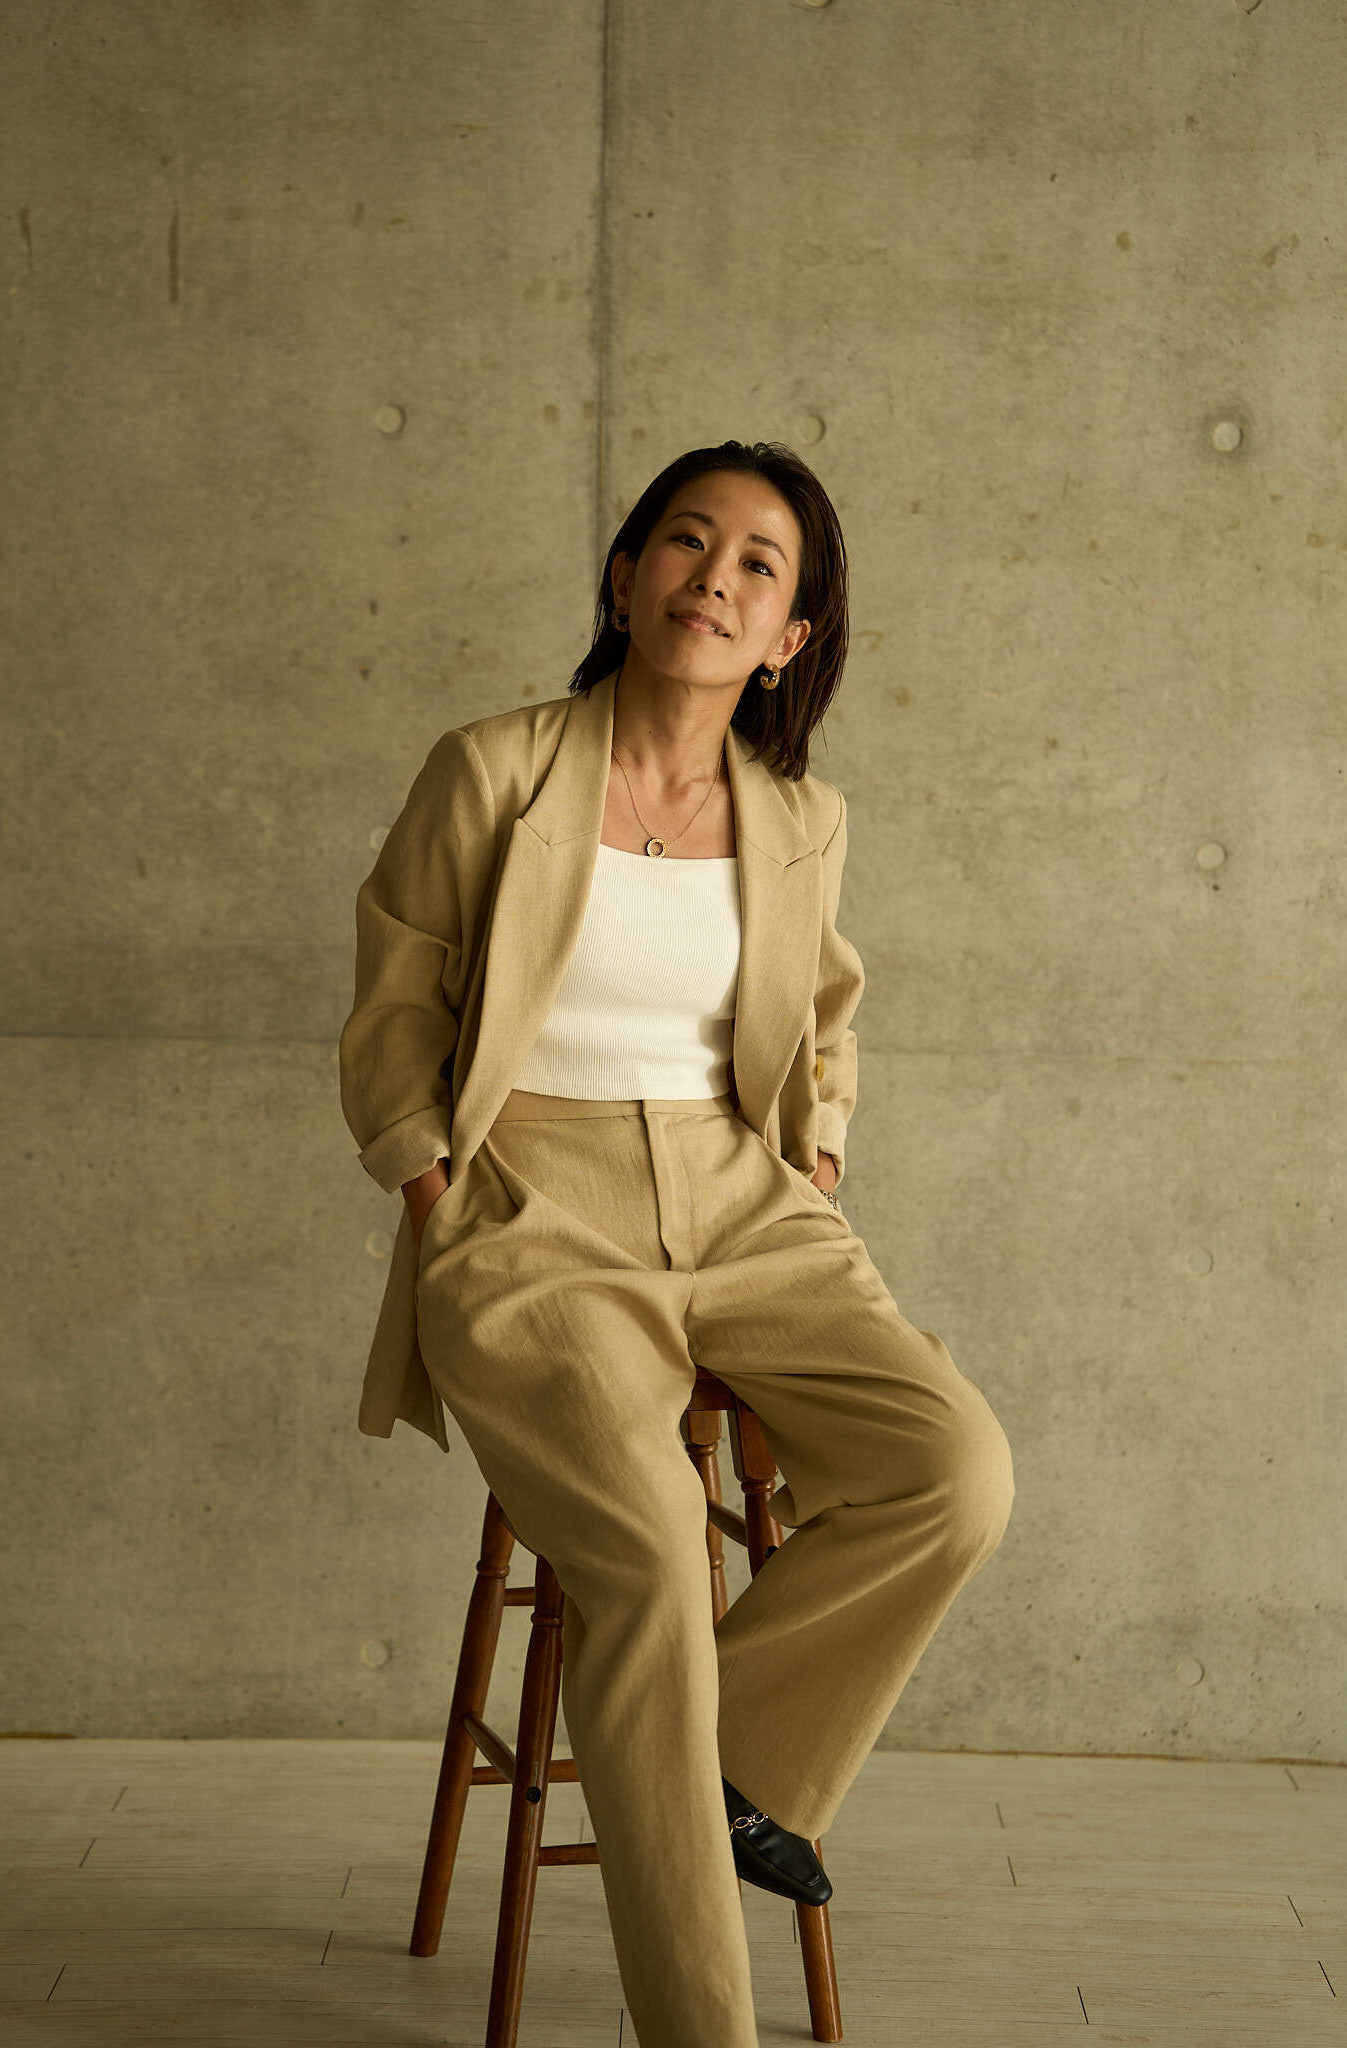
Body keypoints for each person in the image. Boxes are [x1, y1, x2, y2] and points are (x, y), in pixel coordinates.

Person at [338, 439, 1015, 2048]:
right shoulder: (492, 770)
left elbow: (822, 1009)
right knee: (646, 1551)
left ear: (790, 636)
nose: (714, 578)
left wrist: (818, 1148)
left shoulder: (800, 817)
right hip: (532, 1202)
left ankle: (722, 1770)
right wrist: (434, 1187)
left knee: (952, 1469)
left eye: (757, 565)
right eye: (684, 542)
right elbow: (396, 997)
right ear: (624, 575)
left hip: (742, 1196)